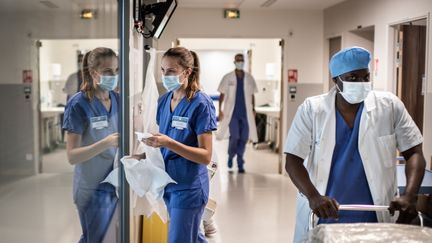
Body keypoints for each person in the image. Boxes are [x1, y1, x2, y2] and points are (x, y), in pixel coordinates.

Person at [284, 46, 426, 242]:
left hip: (375, 213)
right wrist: (313, 196)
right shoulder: (312, 110)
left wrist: (410, 194)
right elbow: (292, 160)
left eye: (365, 77)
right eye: (352, 78)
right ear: (336, 80)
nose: (361, 83)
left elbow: (414, 152)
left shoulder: (389, 106)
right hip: (325, 213)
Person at [143, 47, 217, 243]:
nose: (165, 75)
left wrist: (170, 143)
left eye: (171, 71)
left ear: (187, 72)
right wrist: (144, 154)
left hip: (189, 186)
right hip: (169, 182)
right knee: (190, 236)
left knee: (180, 238)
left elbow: (205, 155)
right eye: (163, 70)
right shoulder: (164, 100)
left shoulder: (201, 103)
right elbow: (164, 142)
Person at [63, 47, 119, 243]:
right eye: (108, 71)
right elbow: (72, 156)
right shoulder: (78, 104)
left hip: (113, 185)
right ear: (94, 73)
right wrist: (106, 143)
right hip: (91, 188)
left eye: (116, 70)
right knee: (96, 238)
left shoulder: (117, 99)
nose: (114, 76)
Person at [217, 53, 258, 173]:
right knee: (235, 136)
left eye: (241, 60)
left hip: (246, 113)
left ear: (244, 61)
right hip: (232, 114)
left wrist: (254, 109)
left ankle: (240, 162)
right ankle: (230, 156)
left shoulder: (249, 78)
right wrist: (220, 109)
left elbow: (252, 95)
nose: (240, 62)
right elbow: (222, 94)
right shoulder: (228, 77)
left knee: (244, 138)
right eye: (238, 60)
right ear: (234, 61)